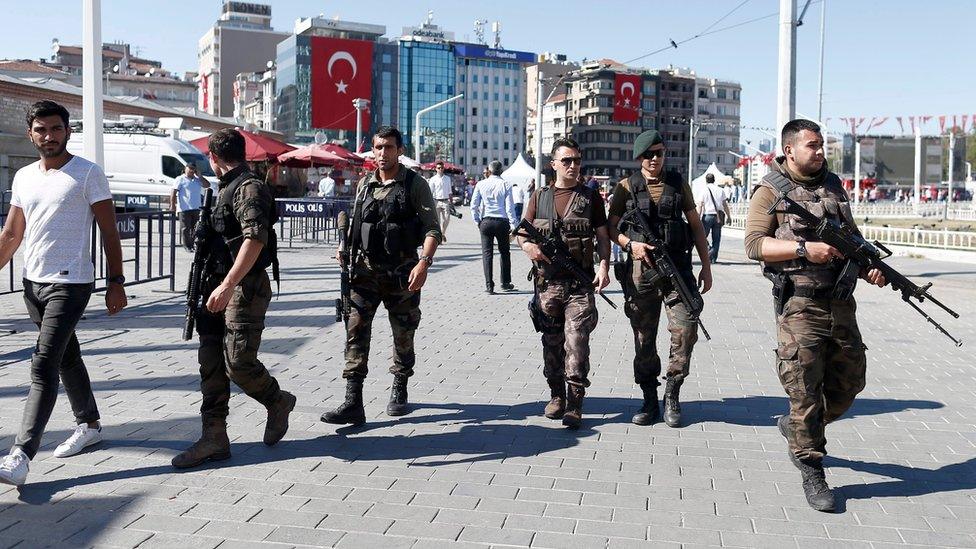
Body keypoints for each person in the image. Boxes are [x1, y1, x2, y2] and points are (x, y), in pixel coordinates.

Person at [744, 119, 886, 512]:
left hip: (840, 303)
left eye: (822, 144)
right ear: (790, 150)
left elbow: (852, 238)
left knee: (849, 384)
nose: (820, 151)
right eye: (812, 145)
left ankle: (796, 428)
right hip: (799, 305)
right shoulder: (770, 190)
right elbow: (754, 245)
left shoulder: (835, 186)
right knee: (804, 388)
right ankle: (811, 467)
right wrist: (804, 250)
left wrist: (869, 266)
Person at [0, 100, 128, 486]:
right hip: (32, 283)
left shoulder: (88, 173)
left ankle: (21, 454)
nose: (49, 136)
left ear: (68, 131)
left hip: (72, 283)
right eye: (41, 129)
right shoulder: (24, 176)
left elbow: (109, 231)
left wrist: (117, 282)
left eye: (56, 129)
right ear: (31, 133)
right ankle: (89, 424)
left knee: (43, 364)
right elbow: (10, 235)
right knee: (66, 355)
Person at [171, 128, 296, 469]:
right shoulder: (223, 188)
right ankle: (214, 437)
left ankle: (277, 400)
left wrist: (227, 284)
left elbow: (255, 239)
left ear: (213, 157)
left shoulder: (249, 188)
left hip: (243, 287)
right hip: (214, 285)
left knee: (238, 362)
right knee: (210, 363)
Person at [322, 126, 442, 425]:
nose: (382, 153)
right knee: (356, 330)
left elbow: (432, 229)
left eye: (388, 147)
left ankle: (399, 386)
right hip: (365, 273)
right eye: (378, 147)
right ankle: (353, 401)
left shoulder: (415, 184)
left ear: (400, 150)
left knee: (403, 333)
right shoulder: (365, 184)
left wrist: (423, 263)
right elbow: (356, 222)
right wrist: (343, 247)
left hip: (403, 275)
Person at [607, 130, 713, 429]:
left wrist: (706, 266)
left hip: (676, 268)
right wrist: (631, 245)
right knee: (644, 336)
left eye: (660, 153)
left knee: (686, 330)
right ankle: (649, 397)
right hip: (641, 273)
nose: (655, 159)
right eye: (649, 154)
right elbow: (611, 228)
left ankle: (672, 392)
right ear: (639, 157)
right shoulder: (626, 187)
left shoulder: (678, 184)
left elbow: (695, 227)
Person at [518, 138, 611, 430]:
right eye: (567, 160)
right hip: (547, 285)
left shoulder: (590, 197)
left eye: (577, 161)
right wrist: (528, 247)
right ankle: (556, 395)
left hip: (580, 285)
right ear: (554, 164)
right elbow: (522, 231)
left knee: (577, 342)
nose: (573, 166)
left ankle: (575, 404)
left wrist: (605, 266)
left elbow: (603, 237)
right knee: (552, 343)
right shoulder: (540, 196)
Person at [472, 160, 518, 294]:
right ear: (501, 171)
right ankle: (505, 282)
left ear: (489, 171)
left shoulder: (481, 184)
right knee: (504, 252)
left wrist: (477, 222)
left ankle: (489, 286)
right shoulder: (506, 184)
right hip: (502, 222)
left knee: (487, 254)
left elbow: (474, 205)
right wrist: (514, 225)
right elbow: (510, 207)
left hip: (486, 221)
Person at [170, 163, 209, 251]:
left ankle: (194, 245)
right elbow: (173, 192)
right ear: (185, 168)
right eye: (190, 168)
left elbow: (207, 185)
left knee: (195, 228)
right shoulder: (180, 179)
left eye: (193, 169)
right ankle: (187, 246)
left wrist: (200, 176)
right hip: (184, 208)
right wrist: (172, 205)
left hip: (196, 208)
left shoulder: (197, 180)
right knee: (185, 228)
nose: (191, 170)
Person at [696, 173, 731, 264]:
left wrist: (697, 218)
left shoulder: (703, 190)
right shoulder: (720, 190)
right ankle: (713, 258)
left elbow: (700, 205)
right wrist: (729, 216)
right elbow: (725, 205)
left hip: (707, 216)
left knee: (702, 237)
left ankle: (709, 253)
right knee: (716, 239)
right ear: (714, 180)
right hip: (718, 217)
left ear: (706, 180)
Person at [427, 161, 453, 242]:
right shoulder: (433, 179)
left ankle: (442, 233)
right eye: (439, 168)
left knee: (447, 219)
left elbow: (450, 191)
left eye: (442, 168)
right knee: (437, 221)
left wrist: (451, 202)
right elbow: (430, 192)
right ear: (436, 169)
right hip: (436, 201)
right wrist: (429, 203)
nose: (440, 169)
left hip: (445, 201)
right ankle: (439, 237)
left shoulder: (447, 178)